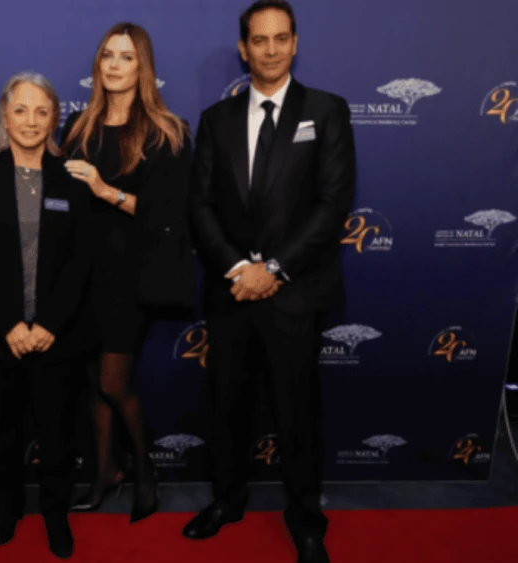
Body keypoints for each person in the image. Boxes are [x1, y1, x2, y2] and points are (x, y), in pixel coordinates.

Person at [183, 2, 356, 562]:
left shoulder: (327, 111)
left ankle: (306, 521)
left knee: (297, 415)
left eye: (281, 38)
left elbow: (333, 205)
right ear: (244, 49)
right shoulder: (217, 119)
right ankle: (226, 501)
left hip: (295, 294)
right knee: (227, 407)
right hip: (232, 292)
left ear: (295, 43)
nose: (271, 49)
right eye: (260, 40)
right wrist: (240, 270)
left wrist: (274, 270)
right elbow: (200, 205)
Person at [61, 22, 193, 523]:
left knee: (114, 383)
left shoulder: (166, 131)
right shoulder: (78, 126)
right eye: (107, 55)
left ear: (143, 68)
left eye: (126, 57)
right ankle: (103, 473)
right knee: (94, 383)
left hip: (132, 277)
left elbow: (166, 216)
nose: (114, 65)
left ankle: (144, 471)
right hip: (82, 275)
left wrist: (104, 190)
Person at [0, 72, 95, 558]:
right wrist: (10, 326)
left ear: (54, 117)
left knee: (58, 435)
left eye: (42, 111)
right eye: (21, 110)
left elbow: (81, 260)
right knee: (2, 433)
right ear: (4, 116)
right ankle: (9, 508)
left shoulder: (73, 178)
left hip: (58, 335)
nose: (31, 121)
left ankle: (56, 514)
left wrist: (49, 325)